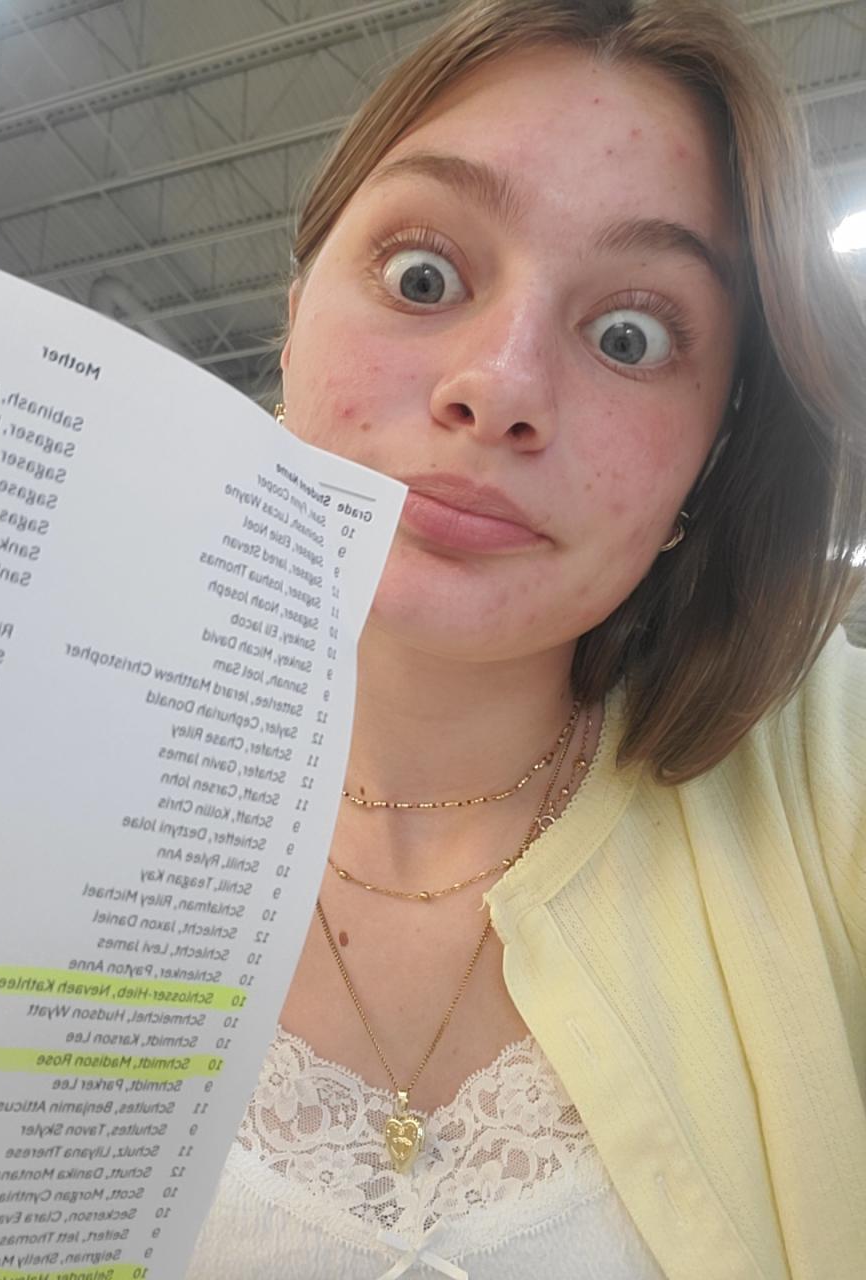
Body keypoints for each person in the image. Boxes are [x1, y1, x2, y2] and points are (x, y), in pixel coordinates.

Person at [187, 0, 866, 1275]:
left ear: (712, 457)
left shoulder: (829, 777)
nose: (498, 386)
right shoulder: (21, 746)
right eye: (423, 275)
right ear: (294, 311)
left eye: (630, 336)